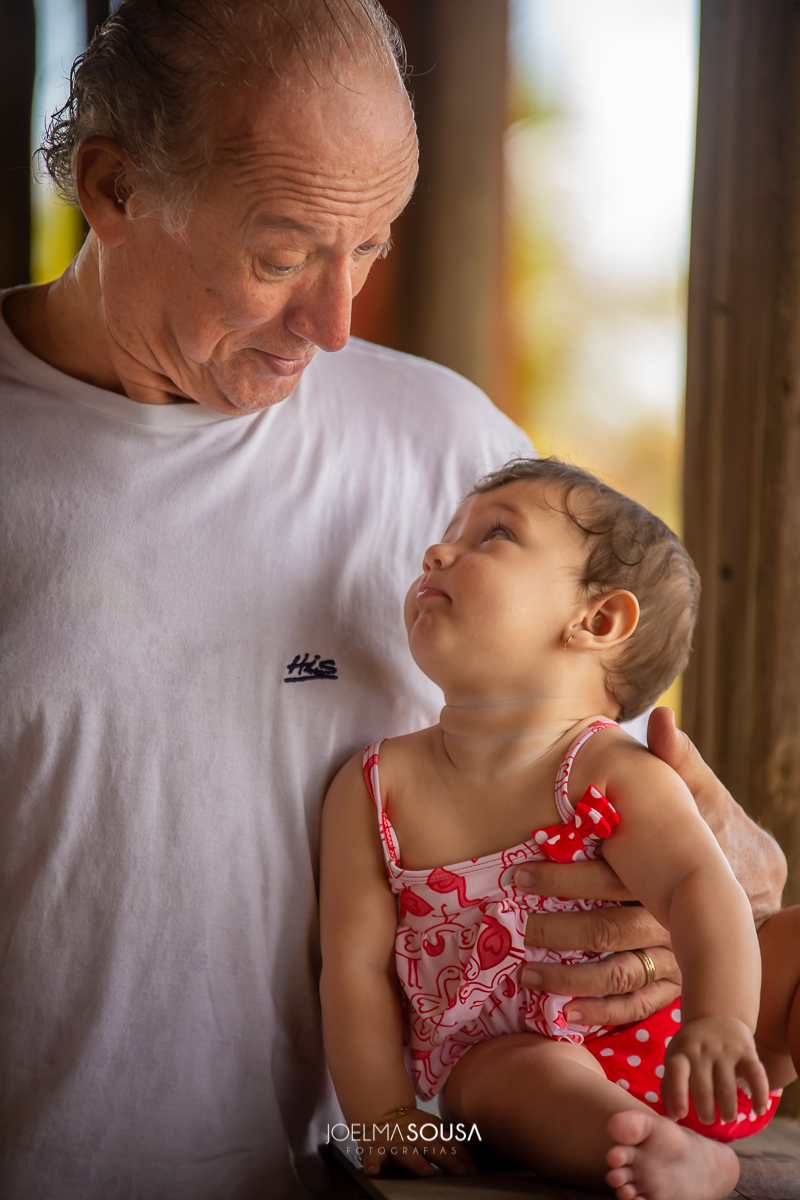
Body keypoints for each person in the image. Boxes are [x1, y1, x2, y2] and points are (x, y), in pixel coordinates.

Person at [0, 1, 786, 1197]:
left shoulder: (450, 447)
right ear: (111, 189)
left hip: (374, 1175)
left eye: (367, 246)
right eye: (282, 254)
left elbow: (635, 820)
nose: (336, 322)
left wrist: (722, 883)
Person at [319, 458, 800, 1200]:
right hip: (513, 1060)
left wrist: (719, 1021)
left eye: (494, 535)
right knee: (510, 1081)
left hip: (698, 1046)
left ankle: (696, 1113)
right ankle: (663, 1154)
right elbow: (352, 970)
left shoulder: (607, 769)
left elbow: (699, 885)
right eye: (447, 536)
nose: (436, 553)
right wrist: (383, 1115)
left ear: (597, 620)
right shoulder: (375, 787)